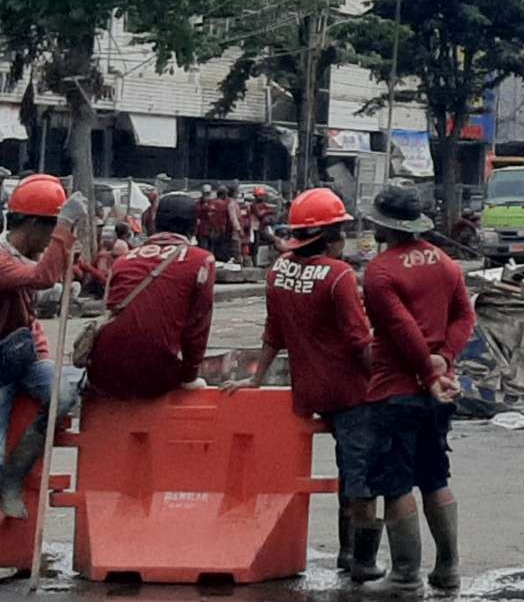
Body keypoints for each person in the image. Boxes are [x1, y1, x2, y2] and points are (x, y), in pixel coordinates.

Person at [228, 187, 381, 580]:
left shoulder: (278, 270)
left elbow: (273, 333)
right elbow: (359, 341)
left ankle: (347, 554)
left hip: (308, 391)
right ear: (329, 236)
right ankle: (359, 559)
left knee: (344, 473)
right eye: (341, 231)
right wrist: (383, 381)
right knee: (361, 476)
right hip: (352, 392)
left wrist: (256, 379)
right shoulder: (339, 276)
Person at [363, 184, 474, 591]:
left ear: (384, 225)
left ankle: (406, 574)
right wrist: (445, 359)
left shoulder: (380, 272)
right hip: (440, 390)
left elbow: (399, 329)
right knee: (435, 477)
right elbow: (465, 315)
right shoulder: (445, 262)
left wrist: (427, 374)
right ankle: (448, 569)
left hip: (396, 389)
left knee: (395, 483)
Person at [0, 175, 93, 519]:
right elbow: (42, 277)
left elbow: (47, 285)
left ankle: (13, 478)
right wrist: (65, 225)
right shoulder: (1, 259)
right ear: (35, 225)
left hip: (22, 357)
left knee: (63, 395)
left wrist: (66, 247)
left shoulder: (19, 257)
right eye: (50, 229)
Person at [83, 192, 215, 401]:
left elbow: (108, 311)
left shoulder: (125, 259)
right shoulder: (201, 260)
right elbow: (197, 328)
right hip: (153, 376)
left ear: (154, 222)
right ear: (195, 226)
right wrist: (190, 376)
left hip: (102, 372)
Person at [197, 186, 233, 263]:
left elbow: (221, 217)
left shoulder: (216, 203)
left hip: (215, 229)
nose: (206, 195)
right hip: (203, 230)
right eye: (205, 193)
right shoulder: (198, 204)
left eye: (208, 193)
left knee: (213, 248)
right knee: (203, 248)